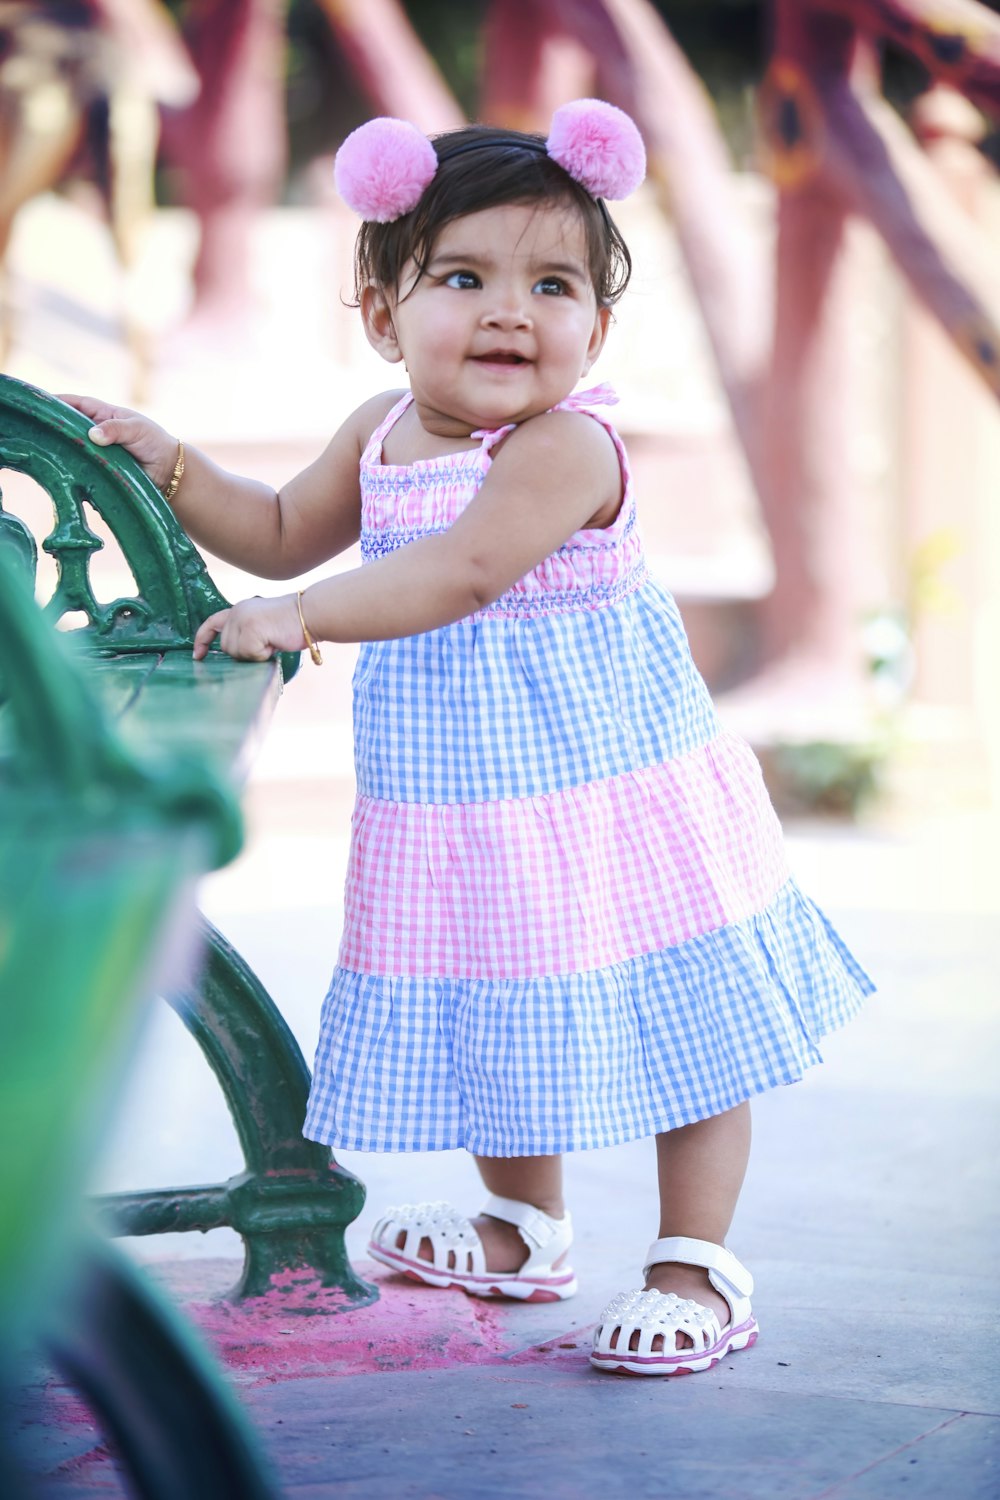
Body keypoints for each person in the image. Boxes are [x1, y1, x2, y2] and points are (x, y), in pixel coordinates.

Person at [65, 99, 873, 1378]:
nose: (511, 310)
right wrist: (175, 469)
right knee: (498, 1006)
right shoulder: (375, 432)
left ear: (596, 329)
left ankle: (693, 1260)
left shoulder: (563, 448)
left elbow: (460, 572)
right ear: (383, 311)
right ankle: (523, 1224)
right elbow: (276, 529)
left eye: (554, 284)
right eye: (463, 276)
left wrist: (299, 619)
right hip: (465, 807)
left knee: (687, 1027)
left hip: (610, 792)